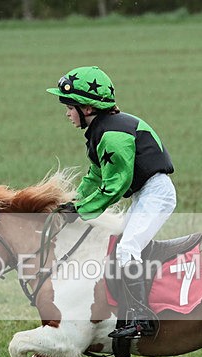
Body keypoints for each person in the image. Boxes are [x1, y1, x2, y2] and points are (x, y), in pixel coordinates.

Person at [46, 66, 176, 339]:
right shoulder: (100, 132)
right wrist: (73, 202)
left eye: (70, 107)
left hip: (156, 194)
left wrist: (81, 210)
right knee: (116, 242)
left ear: (87, 108)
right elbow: (95, 176)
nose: (66, 114)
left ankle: (142, 320)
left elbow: (115, 186)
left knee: (127, 248)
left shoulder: (112, 135)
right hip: (145, 194)